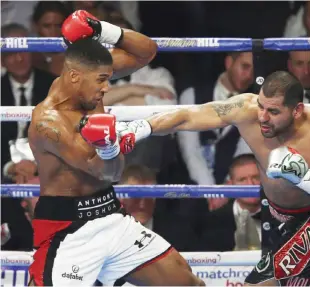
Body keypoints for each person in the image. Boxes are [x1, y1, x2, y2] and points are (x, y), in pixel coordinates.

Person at [115, 71, 310, 286]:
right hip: (275, 214)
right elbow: (189, 116)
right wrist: (143, 127)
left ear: (297, 111)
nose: (262, 117)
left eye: (273, 112)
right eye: (261, 106)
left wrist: (306, 178)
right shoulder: (246, 111)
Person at [27, 10, 204, 287]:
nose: (107, 88)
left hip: (110, 212)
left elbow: (147, 52)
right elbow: (107, 172)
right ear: (74, 77)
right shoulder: (50, 122)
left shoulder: (89, 81)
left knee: (187, 283)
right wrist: (112, 146)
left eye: (107, 77)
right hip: (69, 230)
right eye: (101, 80)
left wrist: (102, 29)